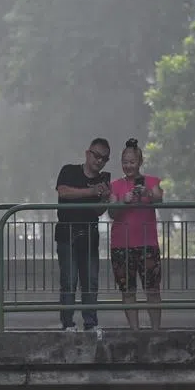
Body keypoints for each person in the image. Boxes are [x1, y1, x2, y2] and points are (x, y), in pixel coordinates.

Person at [54, 138, 111, 332]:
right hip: (66, 233)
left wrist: (105, 197)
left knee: (90, 282)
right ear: (88, 153)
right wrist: (91, 191)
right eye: (96, 155)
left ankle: (90, 323)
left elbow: (99, 211)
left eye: (104, 158)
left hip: (89, 235)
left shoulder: (104, 179)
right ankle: (68, 323)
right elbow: (63, 192)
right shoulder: (69, 170)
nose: (99, 161)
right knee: (69, 281)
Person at [108, 138, 164, 330]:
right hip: (121, 244)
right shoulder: (115, 185)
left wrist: (147, 194)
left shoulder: (151, 181)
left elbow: (159, 198)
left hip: (147, 243)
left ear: (140, 162)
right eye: (125, 162)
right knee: (128, 290)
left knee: (153, 289)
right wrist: (124, 201)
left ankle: (156, 330)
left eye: (132, 162)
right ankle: (135, 331)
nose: (128, 166)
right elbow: (111, 212)